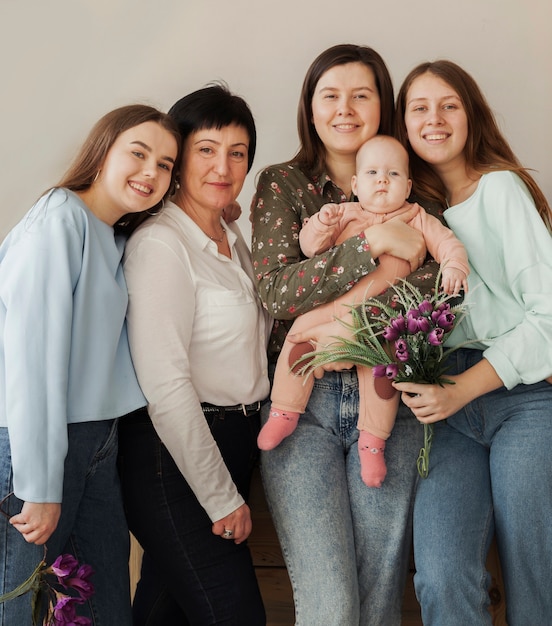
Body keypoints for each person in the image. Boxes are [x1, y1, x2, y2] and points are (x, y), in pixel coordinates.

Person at [250, 44, 445, 625]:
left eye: (361, 95)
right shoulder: (284, 184)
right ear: (310, 109)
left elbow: (433, 300)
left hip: (390, 403)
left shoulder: (419, 195)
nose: (345, 108)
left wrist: (353, 324)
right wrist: (372, 247)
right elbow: (277, 292)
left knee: (380, 597)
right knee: (330, 606)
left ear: (382, 107)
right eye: (329, 95)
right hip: (301, 403)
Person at [0, 105, 181, 626]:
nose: (151, 172)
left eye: (166, 165)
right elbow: (33, 358)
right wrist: (37, 483)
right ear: (103, 151)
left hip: (96, 441)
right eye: (139, 153)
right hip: (33, 444)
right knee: (16, 609)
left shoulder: (111, 234)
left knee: (104, 610)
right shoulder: (59, 219)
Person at [392, 60, 552, 625]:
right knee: (439, 576)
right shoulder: (413, 213)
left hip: (522, 399)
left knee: (535, 577)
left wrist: (464, 388)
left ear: (471, 114)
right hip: (445, 414)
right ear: (403, 125)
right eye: (419, 108)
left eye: (449, 105)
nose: (434, 119)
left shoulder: (501, 190)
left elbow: (550, 318)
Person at [118, 84, 269, 625]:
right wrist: (221, 496)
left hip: (236, 443)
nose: (222, 166)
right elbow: (166, 386)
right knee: (236, 615)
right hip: (173, 457)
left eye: (238, 152)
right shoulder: (161, 244)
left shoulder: (233, 234)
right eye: (206, 149)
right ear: (178, 156)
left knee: (164, 612)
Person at [258, 135, 469, 488]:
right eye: (372, 173)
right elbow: (310, 247)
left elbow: (449, 244)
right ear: (355, 185)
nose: (382, 180)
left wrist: (454, 268)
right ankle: (284, 410)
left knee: (384, 372)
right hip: (329, 313)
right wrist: (322, 223)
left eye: (393, 174)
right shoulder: (345, 213)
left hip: (378, 326)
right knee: (298, 338)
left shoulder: (417, 217)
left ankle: (373, 442)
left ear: (409, 185)